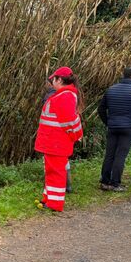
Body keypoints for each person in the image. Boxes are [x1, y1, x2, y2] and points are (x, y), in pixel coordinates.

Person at [35, 66, 83, 212]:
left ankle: (55, 204)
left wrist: (76, 135)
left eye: (53, 79)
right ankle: (48, 199)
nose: (51, 82)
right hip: (53, 142)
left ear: (60, 80)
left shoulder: (65, 96)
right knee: (50, 171)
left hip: (56, 142)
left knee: (55, 173)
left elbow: (70, 121)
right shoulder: (63, 95)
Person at [98, 66, 131, 192]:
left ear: (123, 75)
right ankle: (115, 184)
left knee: (109, 154)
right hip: (129, 127)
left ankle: (104, 181)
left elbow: (101, 109)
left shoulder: (111, 89)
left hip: (113, 127)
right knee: (120, 155)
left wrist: (108, 122)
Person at [42, 80, 73, 193]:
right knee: (64, 162)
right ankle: (67, 185)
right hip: (63, 135)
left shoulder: (51, 96)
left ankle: (57, 188)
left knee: (52, 165)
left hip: (53, 136)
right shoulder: (66, 95)